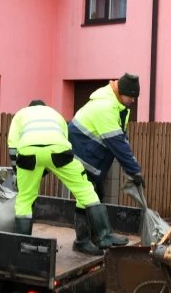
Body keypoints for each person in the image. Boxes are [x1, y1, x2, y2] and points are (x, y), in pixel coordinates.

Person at [7, 100, 118, 255]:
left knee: (24, 199)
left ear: (29, 108)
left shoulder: (20, 114)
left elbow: (12, 146)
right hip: (58, 150)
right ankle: (105, 236)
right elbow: (64, 141)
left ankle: (23, 246)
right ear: (45, 108)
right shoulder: (55, 114)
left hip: (28, 153)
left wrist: (18, 173)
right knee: (85, 190)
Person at [67, 74, 146, 248]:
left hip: (91, 154)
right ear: (122, 92)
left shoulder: (119, 107)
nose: (133, 100)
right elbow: (117, 143)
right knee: (88, 196)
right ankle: (85, 240)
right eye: (132, 96)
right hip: (82, 154)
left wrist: (131, 166)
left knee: (95, 194)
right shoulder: (105, 107)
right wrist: (134, 170)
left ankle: (98, 237)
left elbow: (121, 139)